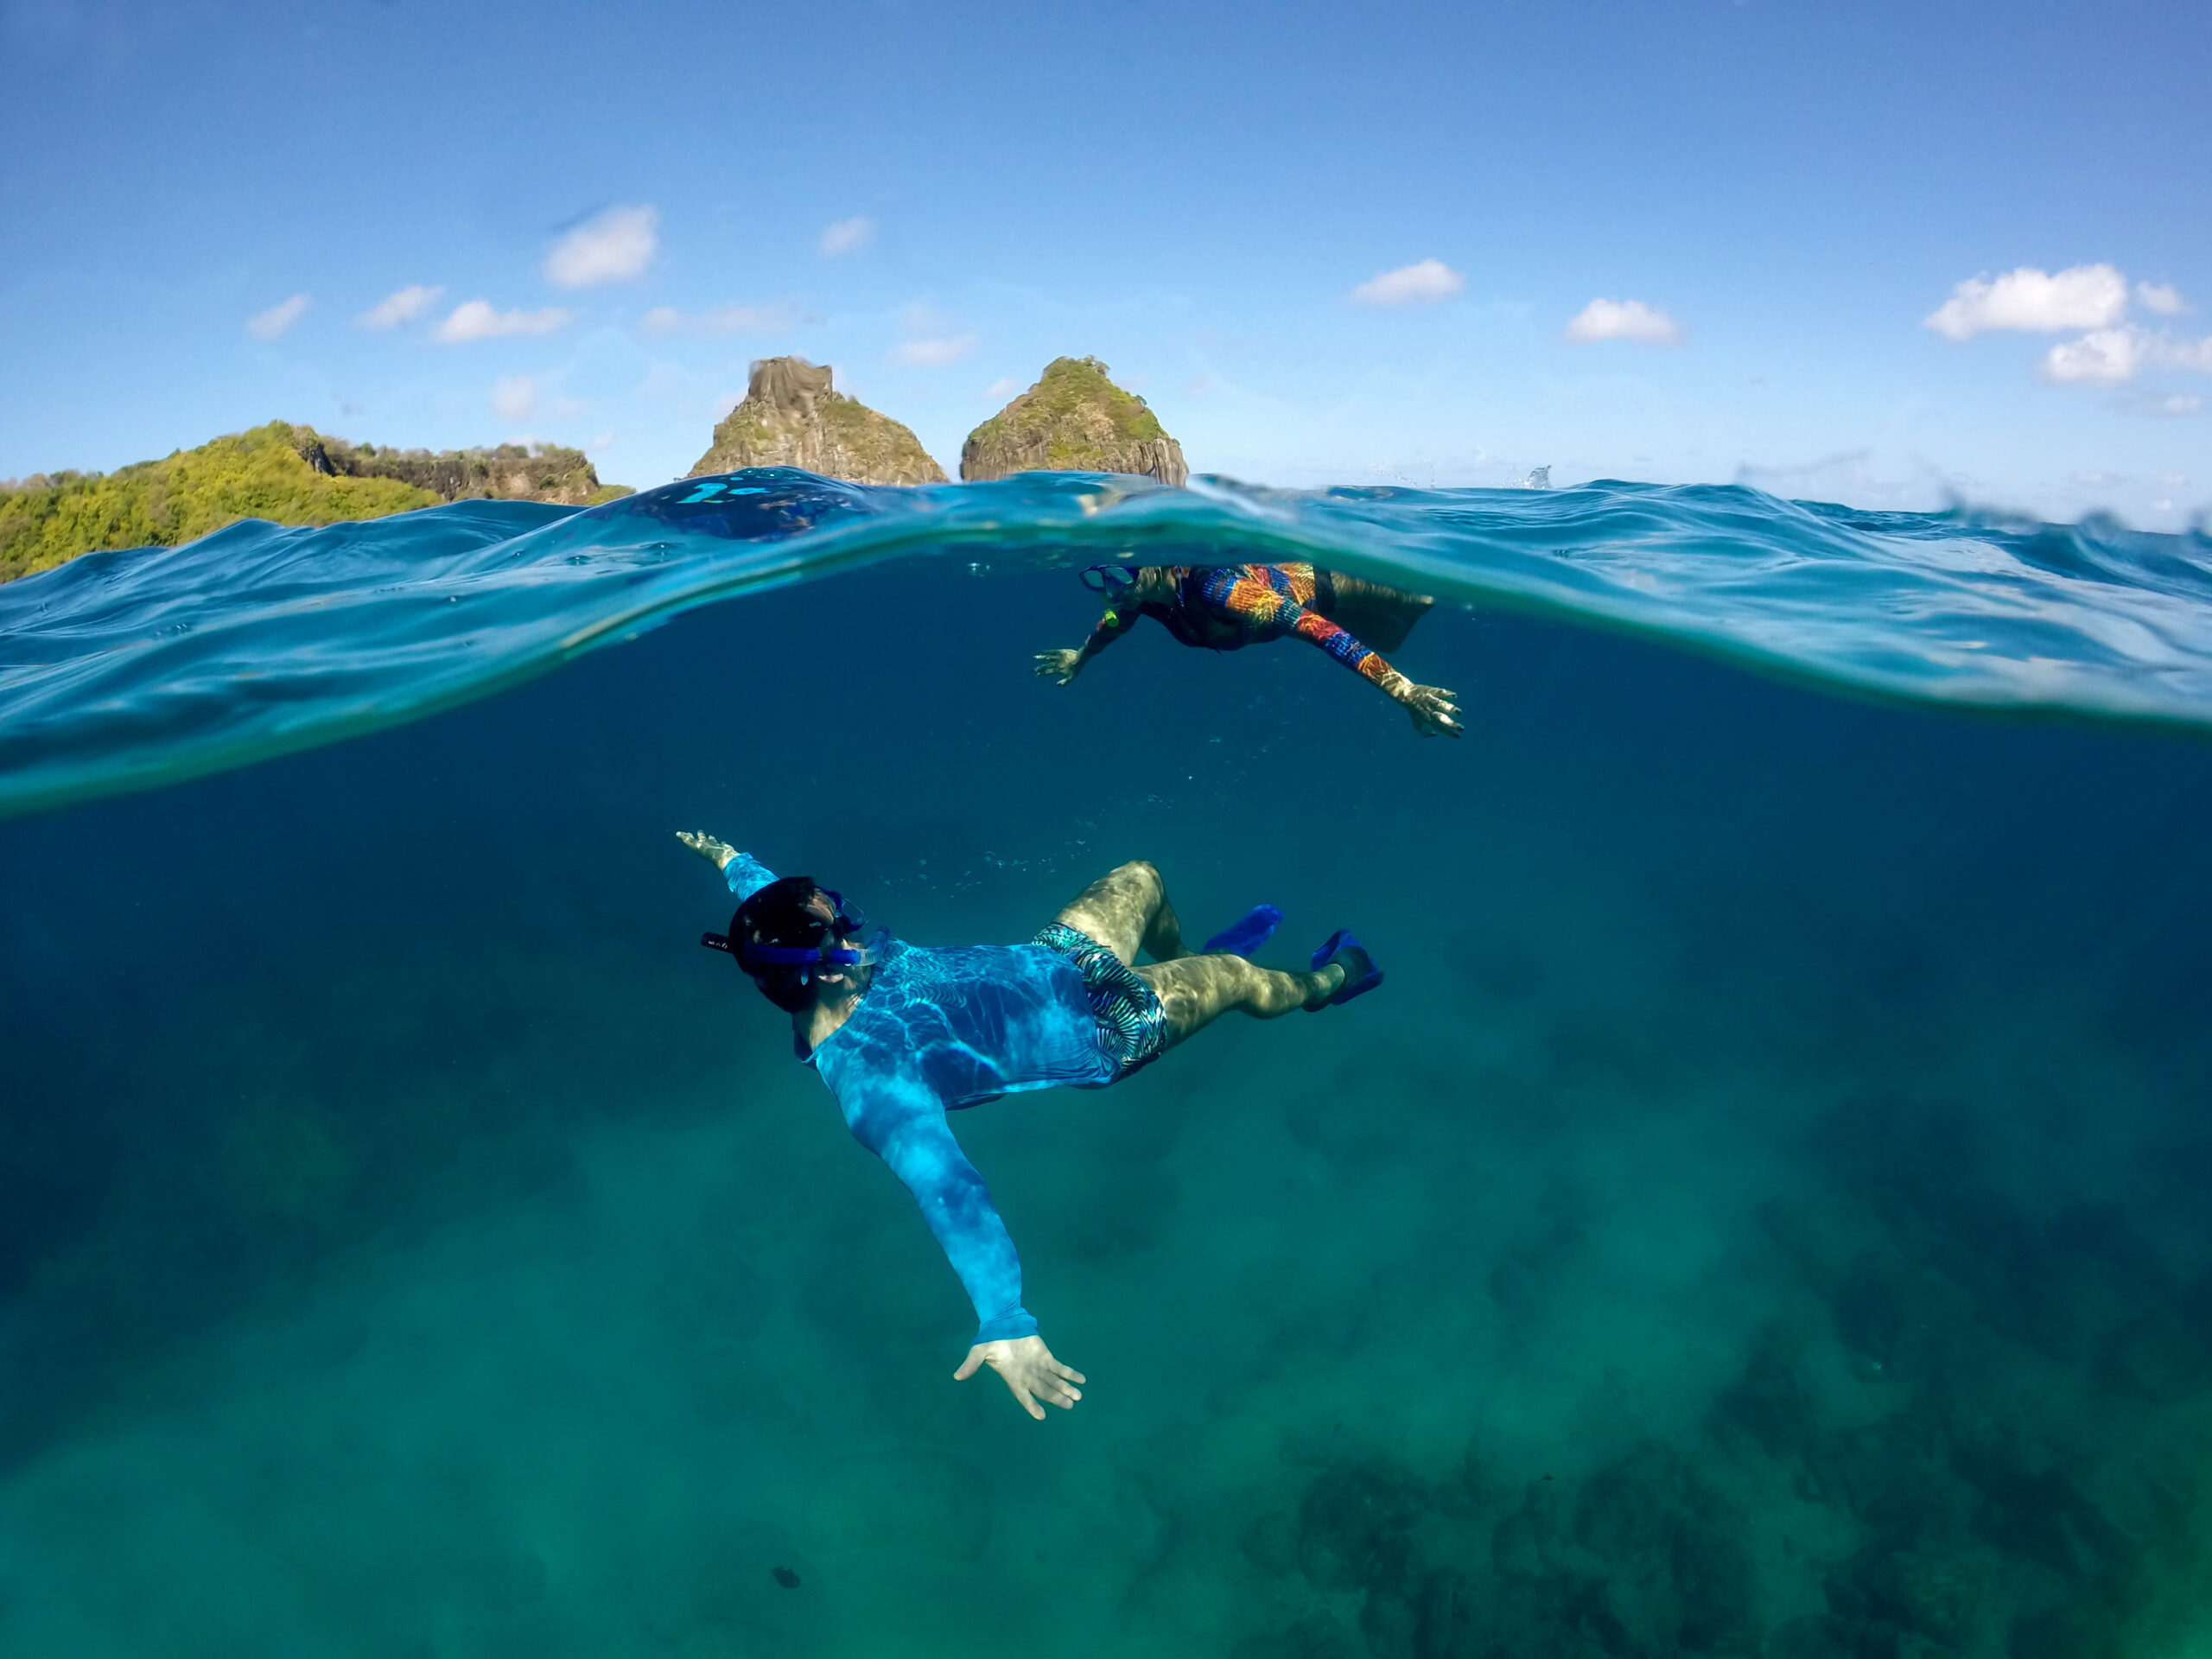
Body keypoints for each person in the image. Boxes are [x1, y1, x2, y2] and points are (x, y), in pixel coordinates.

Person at [678, 830, 1381, 1421]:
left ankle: (1179, 960)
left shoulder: (810, 961)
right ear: (826, 969)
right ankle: (1331, 985)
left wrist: (729, 861)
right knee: (1235, 973)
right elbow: (949, 1192)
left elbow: (769, 913)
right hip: (1111, 1029)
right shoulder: (873, 1084)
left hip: (1059, 959)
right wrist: (1004, 1317)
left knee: (1142, 874)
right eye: (843, 928)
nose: (852, 927)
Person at [1034, 562, 1463, 737]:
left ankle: (1448, 563)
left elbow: (1313, 627)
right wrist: (1081, 655)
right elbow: (1111, 626)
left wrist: (1404, 691)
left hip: (1320, 587)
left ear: (1153, 565)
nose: (1113, 592)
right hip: (1288, 606)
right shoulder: (1140, 598)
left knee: (1421, 601)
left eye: (1117, 576)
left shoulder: (1215, 587)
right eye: (1100, 580)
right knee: (1391, 637)